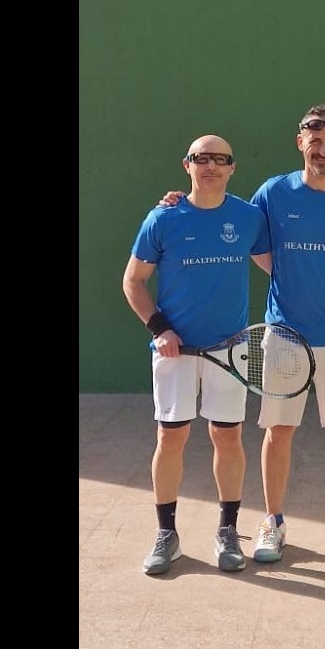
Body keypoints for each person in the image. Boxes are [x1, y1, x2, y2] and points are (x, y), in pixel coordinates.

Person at [159, 103, 325, 563]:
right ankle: (273, 522)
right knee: (279, 431)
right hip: (285, 336)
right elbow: (224, 219)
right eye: (315, 141)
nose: (322, 150)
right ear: (300, 143)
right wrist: (178, 204)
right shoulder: (273, 193)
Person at [122, 134, 272, 575]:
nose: (210, 166)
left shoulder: (249, 218)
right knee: (171, 438)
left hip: (230, 350)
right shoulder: (163, 218)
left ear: (232, 168)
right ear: (186, 165)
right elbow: (133, 281)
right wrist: (159, 328)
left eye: (219, 159)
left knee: (227, 437)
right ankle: (166, 535)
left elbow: (279, 266)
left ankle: (228, 531)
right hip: (175, 353)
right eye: (201, 159)